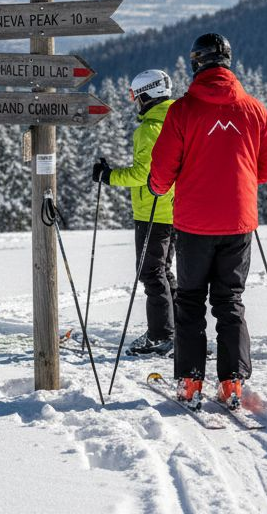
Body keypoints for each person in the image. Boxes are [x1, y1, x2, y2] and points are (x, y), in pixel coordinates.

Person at [148, 33, 267, 408]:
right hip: (239, 223)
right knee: (230, 300)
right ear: (228, 62)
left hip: (193, 225)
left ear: (196, 64)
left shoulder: (183, 111)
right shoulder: (253, 109)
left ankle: (191, 382)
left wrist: (158, 187)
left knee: (190, 301)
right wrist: (238, 182)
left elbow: (161, 172)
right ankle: (232, 383)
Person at [92, 69, 177, 357]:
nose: (135, 102)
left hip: (152, 211)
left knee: (151, 273)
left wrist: (109, 176)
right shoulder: (180, 121)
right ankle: (177, 329)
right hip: (177, 211)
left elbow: (144, 173)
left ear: (147, 95)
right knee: (164, 272)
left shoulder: (149, 129)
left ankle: (160, 336)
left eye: (135, 96)